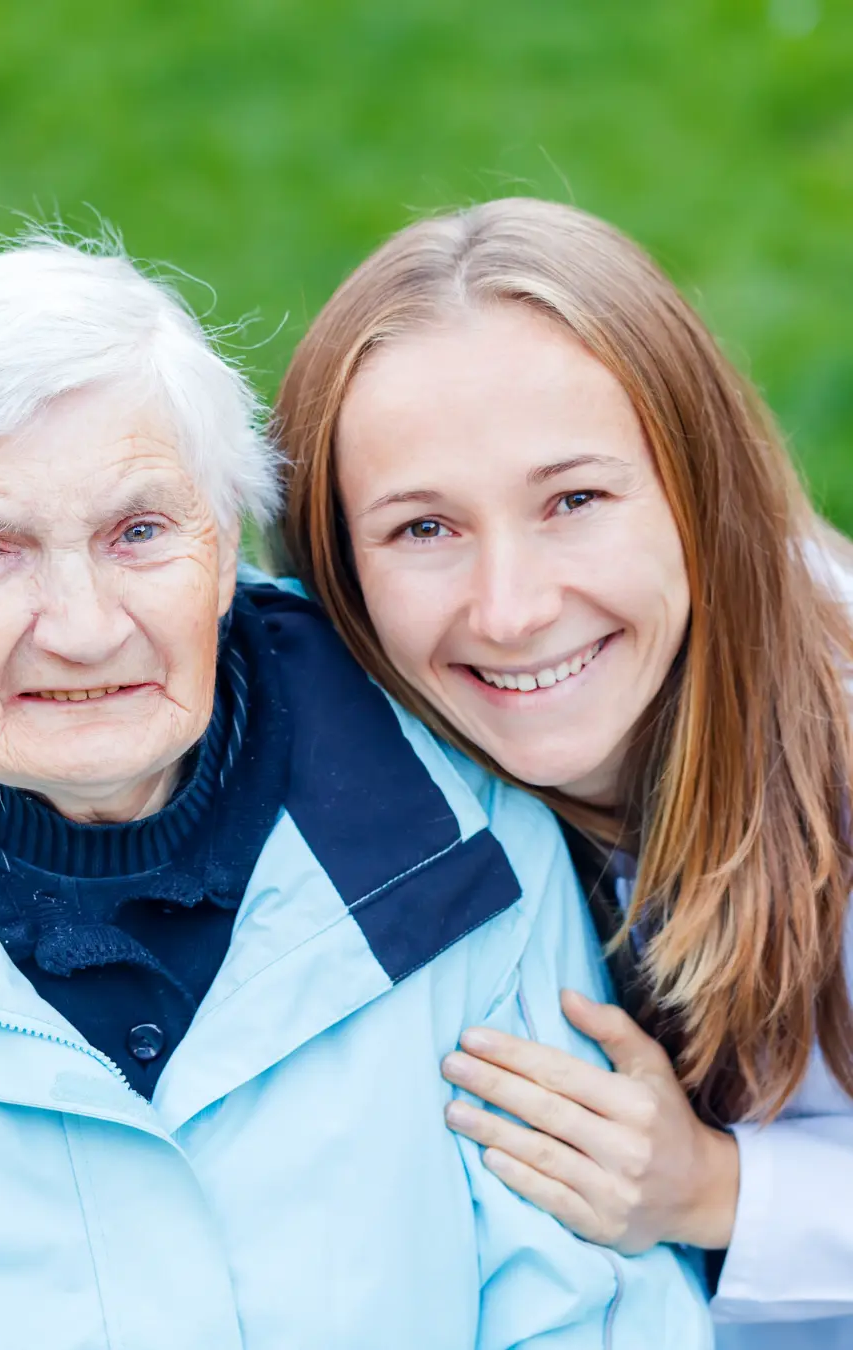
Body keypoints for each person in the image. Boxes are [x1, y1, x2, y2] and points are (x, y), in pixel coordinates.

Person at [0, 229, 711, 1350]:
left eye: (141, 532)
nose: (82, 627)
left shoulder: (458, 837)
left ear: (227, 555)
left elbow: (591, 1314)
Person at [274, 196, 853, 1349]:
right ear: (337, 565)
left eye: (574, 500)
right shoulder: (336, 768)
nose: (513, 608)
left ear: (702, 490)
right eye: (422, 529)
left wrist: (717, 1191)